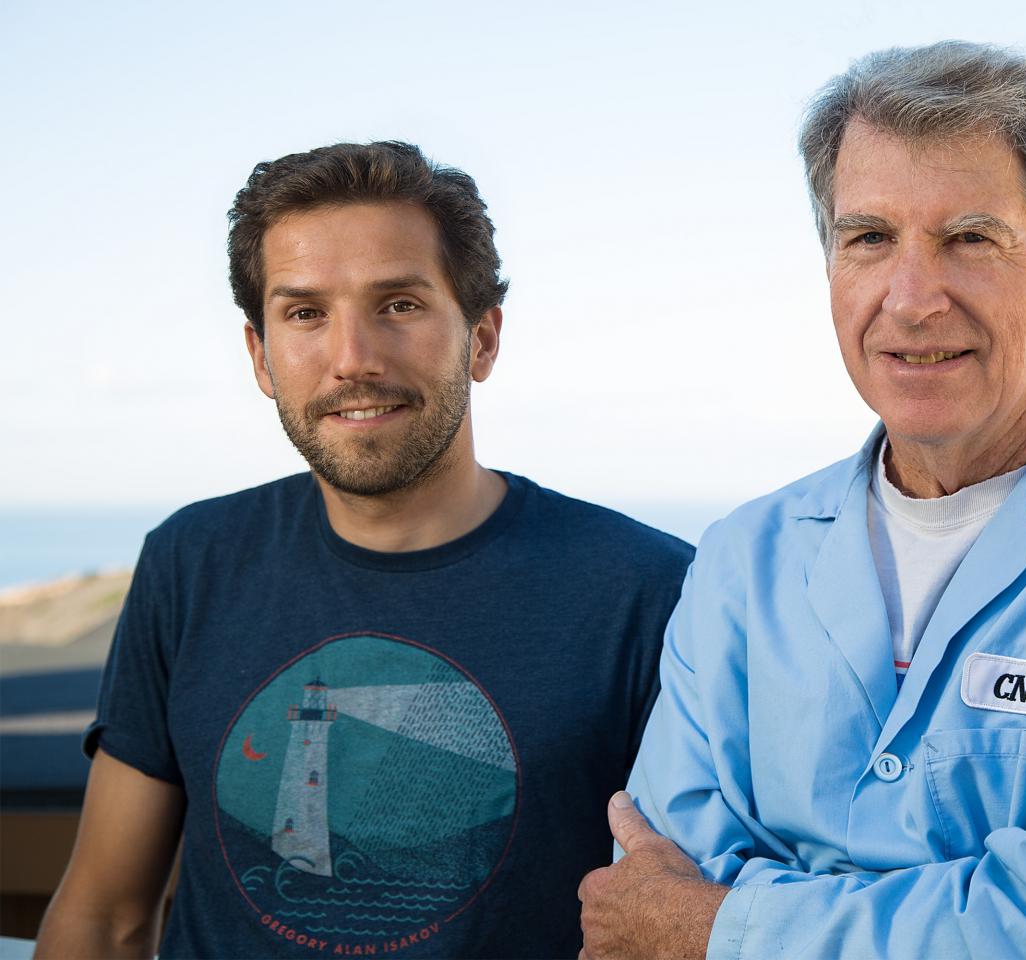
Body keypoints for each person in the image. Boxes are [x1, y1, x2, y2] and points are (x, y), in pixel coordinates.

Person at [577, 41, 1026, 959]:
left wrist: (723, 925)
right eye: (870, 238)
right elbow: (654, 876)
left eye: (970, 238)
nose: (912, 298)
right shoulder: (745, 559)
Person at [34, 141, 693, 959]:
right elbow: (104, 918)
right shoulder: (191, 562)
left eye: (400, 305)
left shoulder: (647, 590)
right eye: (305, 313)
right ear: (260, 356)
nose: (353, 359)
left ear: (482, 339)